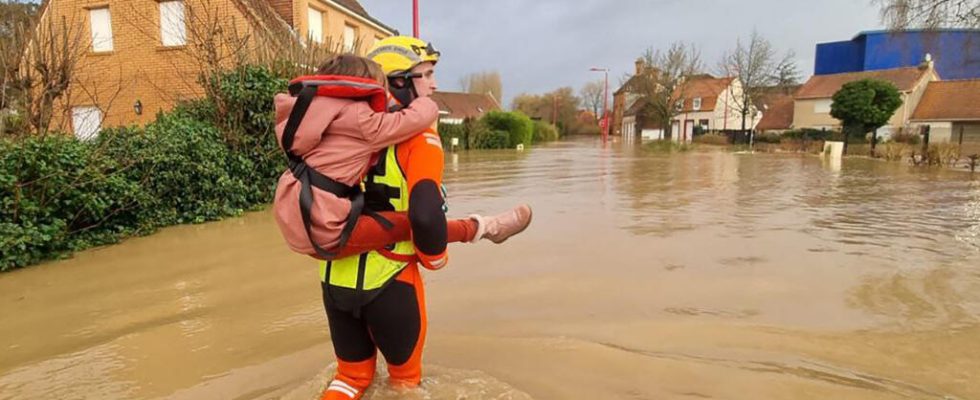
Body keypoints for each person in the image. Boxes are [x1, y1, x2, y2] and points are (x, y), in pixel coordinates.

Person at [317, 37, 528, 400]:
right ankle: (486, 227)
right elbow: (426, 217)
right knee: (404, 385)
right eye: (426, 75)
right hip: (393, 283)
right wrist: (435, 258)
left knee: (349, 379)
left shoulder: (330, 136)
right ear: (397, 83)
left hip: (334, 282)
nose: (433, 85)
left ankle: (486, 227)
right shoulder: (419, 138)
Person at [272, 55, 531, 263]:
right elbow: (410, 120)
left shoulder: (306, 113)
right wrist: (428, 104)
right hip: (326, 229)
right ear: (360, 87)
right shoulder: (360, 120)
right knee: (410, 224)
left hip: (295, 214)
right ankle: (487, 228)